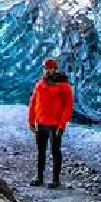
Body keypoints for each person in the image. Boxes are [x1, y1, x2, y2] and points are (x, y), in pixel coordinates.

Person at [27, 58, 73, 188]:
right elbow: (33, 102)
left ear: (55, 69)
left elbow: (68, 106)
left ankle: (55, 179)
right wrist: (31, 120)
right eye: (46, 68)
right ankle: (39, 177)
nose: (48, 70)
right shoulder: (40, 84)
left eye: (51, 68)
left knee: (55, 151)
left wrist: (62, 124)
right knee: (41, 151)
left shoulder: (64, 85)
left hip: (55, 124)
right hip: (41, 123)